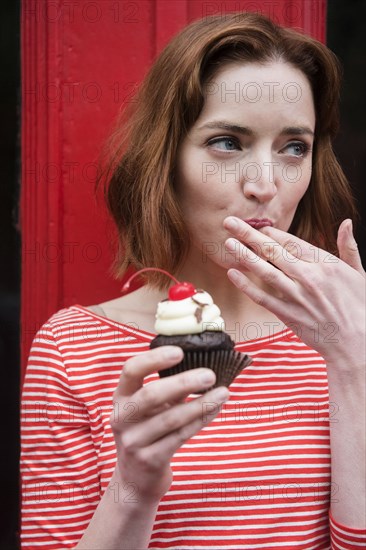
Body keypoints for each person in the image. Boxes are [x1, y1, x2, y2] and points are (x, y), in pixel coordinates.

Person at [20, 11, 365, 549]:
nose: (264, 185)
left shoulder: (350, 331)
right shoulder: (72, 349)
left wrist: (354, 360)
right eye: (228, 142)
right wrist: (133, 486)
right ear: (167, 160)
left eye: (294, 147)